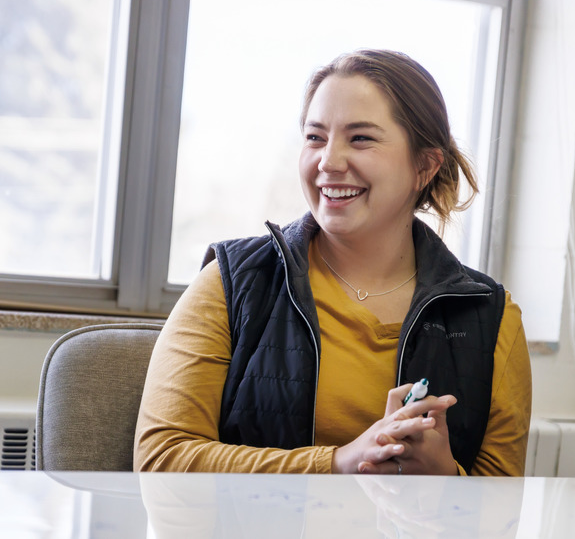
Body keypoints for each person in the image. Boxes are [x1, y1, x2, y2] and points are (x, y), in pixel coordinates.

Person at [134, 49, 531, 476]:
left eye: (360, 138)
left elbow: (503, 508)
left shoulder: (493, 319)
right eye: (315, 137)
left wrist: (445, 481)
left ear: (425, 165)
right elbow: (162, 458)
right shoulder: (232, 283)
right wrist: (338, 462)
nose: (328, 161)